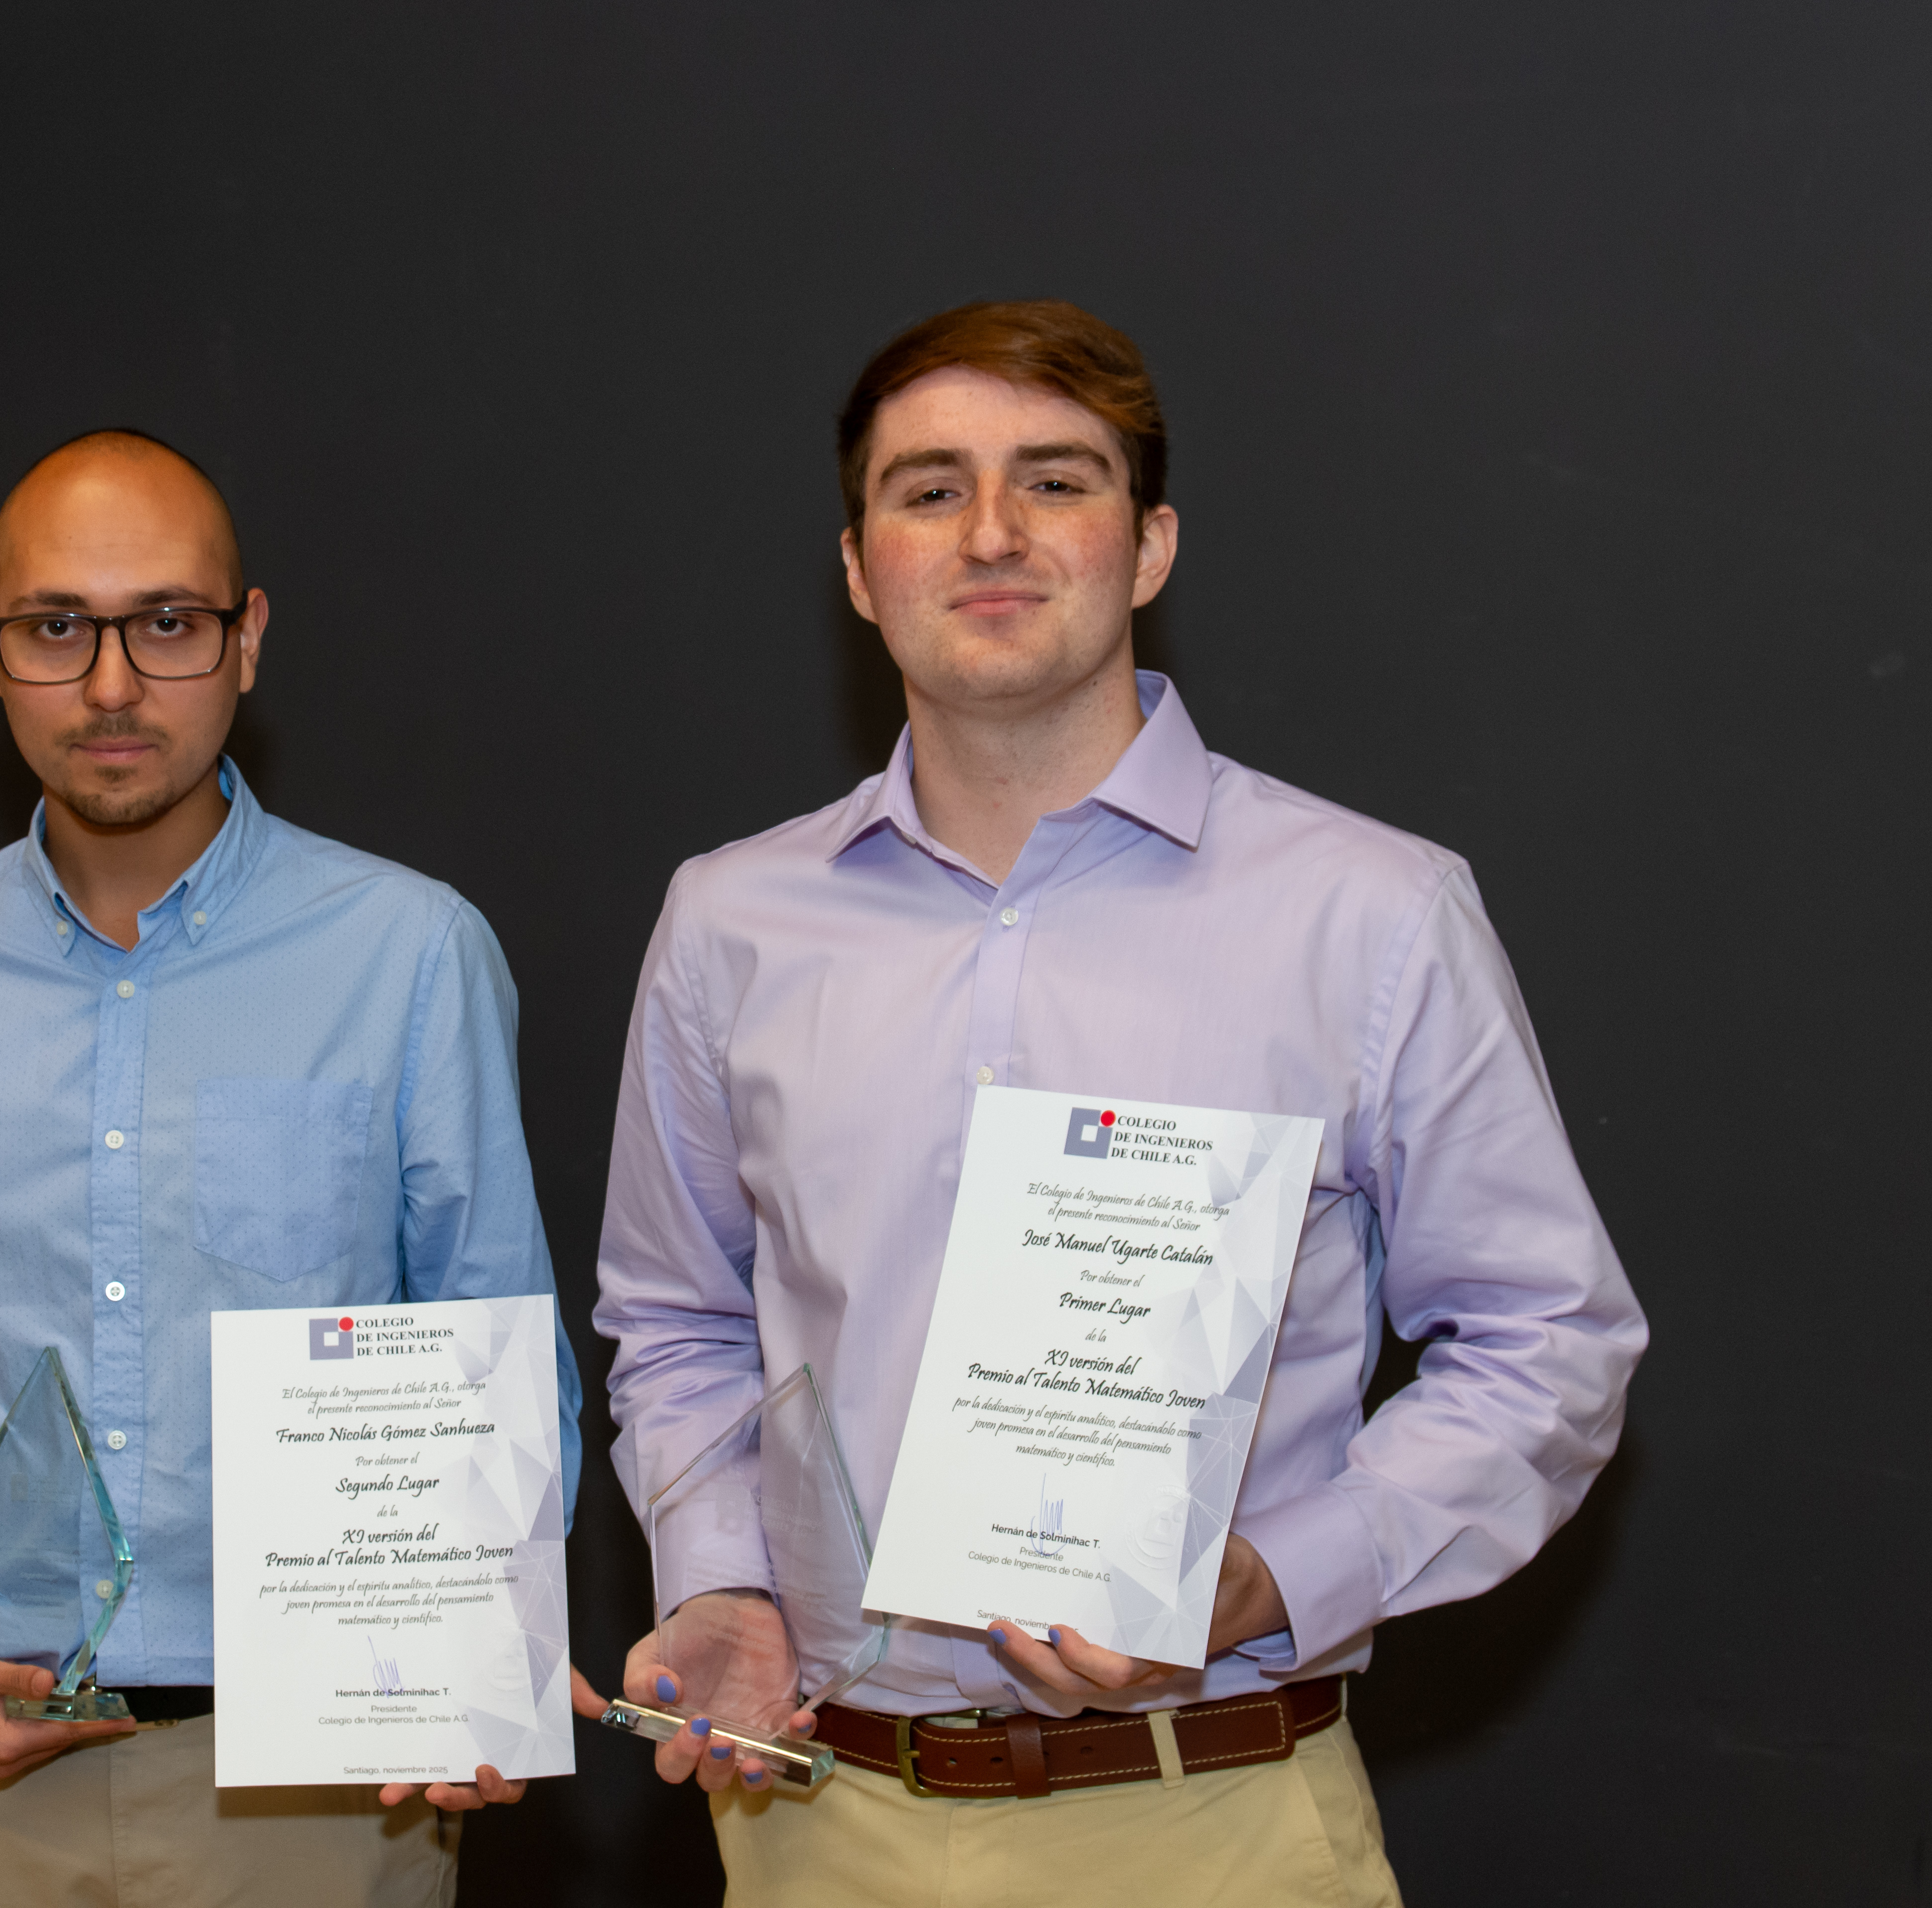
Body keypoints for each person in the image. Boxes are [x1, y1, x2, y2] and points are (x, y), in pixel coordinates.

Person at [588, 300, 1646, 1906]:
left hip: (1214, 1824)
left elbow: (1551, 1345)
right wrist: (724, 1582)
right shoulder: (731, 922)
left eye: (1057, 482)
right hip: (819, 1831)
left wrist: (1260, 1584)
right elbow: (675, 1323)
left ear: (1149, 548)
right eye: (929, 489)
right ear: (861, 568)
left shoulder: (1369, 912)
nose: (993, 532)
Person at [0, 428, 582, 1907]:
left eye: (169, 625)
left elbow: (493, 1347)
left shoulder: (407, 956)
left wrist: (475, 1663)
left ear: (248, 639)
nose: (115, 684)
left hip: (326, 1792)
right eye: (58, 627)